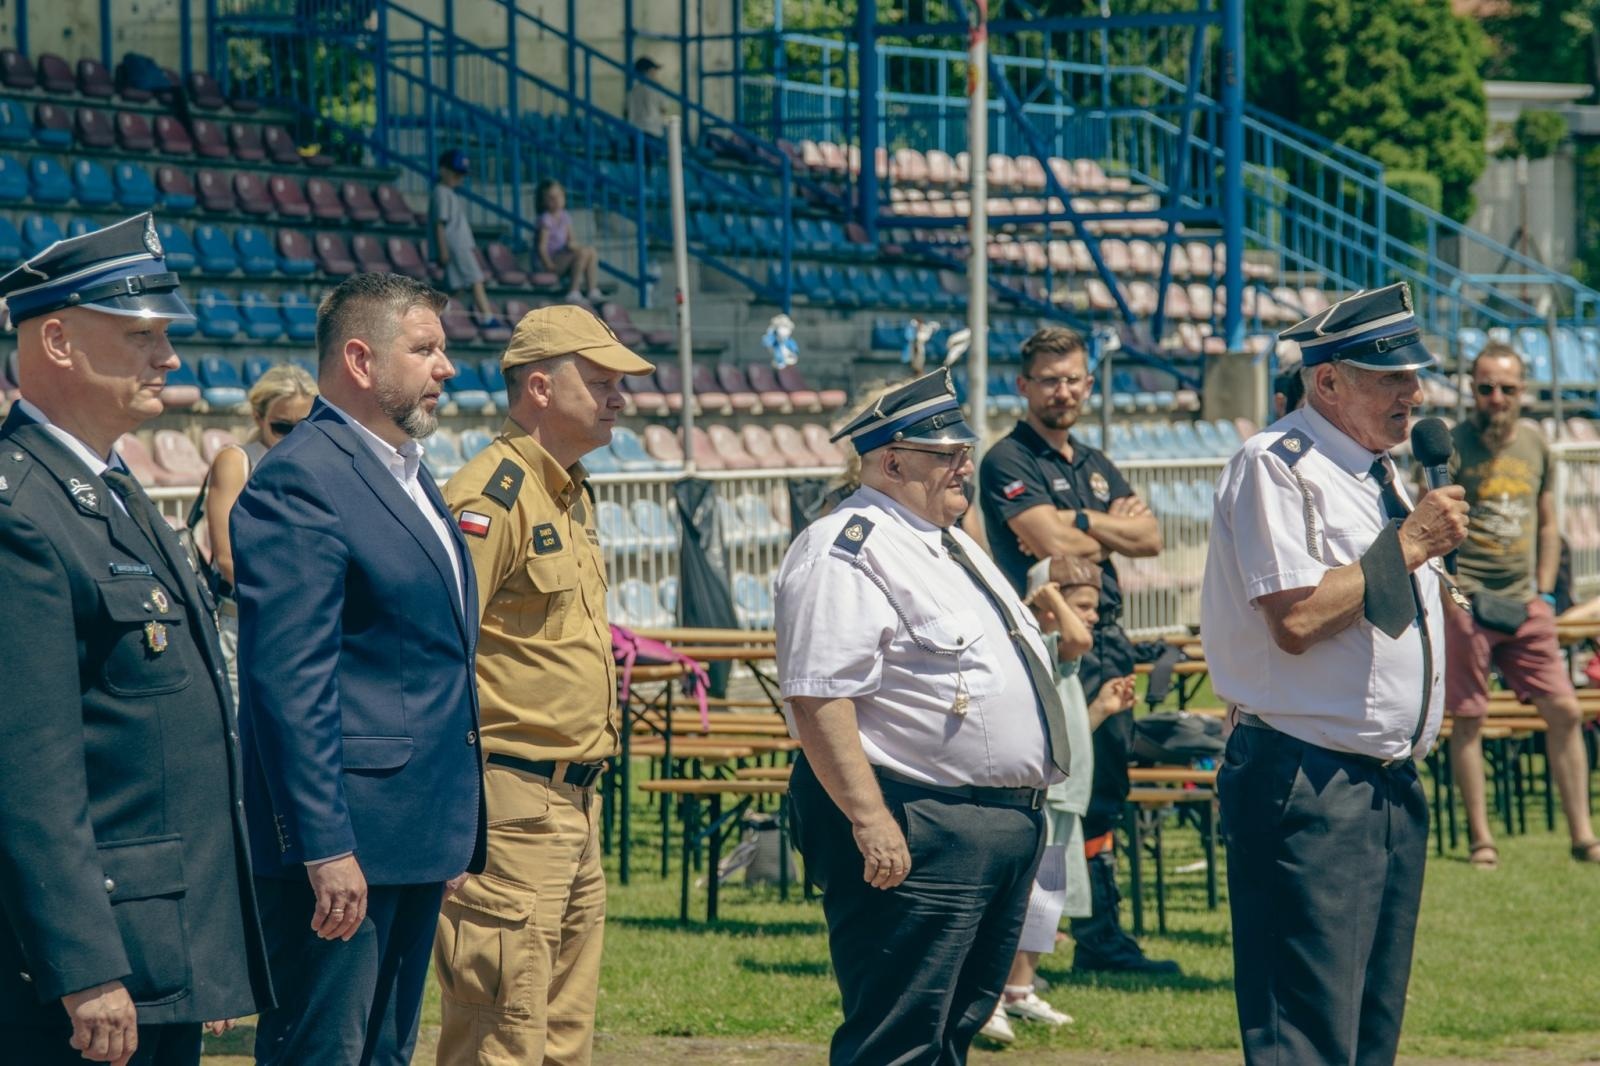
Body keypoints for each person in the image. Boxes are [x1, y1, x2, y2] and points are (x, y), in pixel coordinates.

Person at [0, 213, 271, 1064]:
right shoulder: (24, 514)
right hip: (92, 965)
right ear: (58, 341)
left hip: (156, 943)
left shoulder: (106, 488)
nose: (171, 358)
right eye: (142, 335)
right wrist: (84, 965)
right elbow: (29, 771)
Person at [1201, 281, 1470, 1065]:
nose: (1413, 394)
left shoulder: (1375, 473)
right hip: (1307, 778)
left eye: (1414, 376)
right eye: (1391, 378)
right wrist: (1409, 545)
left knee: (1367, 1030)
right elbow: (1297, 621)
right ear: (1327, 381)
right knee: (1306, 1032)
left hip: (1382, 781)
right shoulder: (1277, 465)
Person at [775, 369, 1071, 1065]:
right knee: (897, 1038)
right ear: (891, 462)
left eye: (965, 451)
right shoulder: (846, 546)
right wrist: (871, 820)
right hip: (921, 822)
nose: (965, 465)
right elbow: (820, 698)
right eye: (946, 454)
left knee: (951, 1032)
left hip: (994, 824)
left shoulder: (948, 541)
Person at [231, 273, 487, 1065]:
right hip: (345, 849)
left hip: (411, 836)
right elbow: (290, 684)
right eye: (425, 349)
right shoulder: (303, 477)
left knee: (385, 1054)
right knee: (323, 1053)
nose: (446, 367)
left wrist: (447, 833)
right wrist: (324, 844)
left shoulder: (404, 470)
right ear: (360, 359)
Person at [432, 306, 655, 1066]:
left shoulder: (568, 490)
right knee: (500, 1036)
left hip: (573, 802)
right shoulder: (490, 497)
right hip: (512, 804)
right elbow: (441, 656)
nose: (619, 398)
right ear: (539, 388)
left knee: (561, 1037)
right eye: (601, 382)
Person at [976, 325, 1174, 976]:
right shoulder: (1008, 459)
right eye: (1049, 381)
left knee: (1105, 786)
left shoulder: (1092, 461)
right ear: (1023, 386)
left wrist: (1080, 522)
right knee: (1064, 794)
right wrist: (1100, 527)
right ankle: (1046, 942)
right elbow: (1046, 542)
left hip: (1108, 638)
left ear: (1089, 384)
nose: (1062, 392)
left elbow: (1151, 538)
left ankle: (1095, 933)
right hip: (1055, 648)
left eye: (1072, 380)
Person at [1443, 343, 1599, 867]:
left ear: (1523, 392)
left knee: (1565, 711)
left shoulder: (1536, 446)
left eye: (1507, 388)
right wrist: (1452, 594)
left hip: (1525, 602)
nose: (1496, 398)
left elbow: (1548, 522)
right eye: (1486, 387)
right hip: (1470, 600)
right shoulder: (1453, 447)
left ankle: (1583, 836)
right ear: (1472, 390)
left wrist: (1545, 593)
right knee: (1470, 718)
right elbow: (1434, 522)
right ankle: (1482, 840)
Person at [981, 554, 1137, 1044]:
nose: (1092, 617)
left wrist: (1101, 708)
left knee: (1045, 903)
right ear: (1048, 605)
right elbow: (1079, 639)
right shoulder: (1040, 646)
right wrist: (1047, 593)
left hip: (1067, 796)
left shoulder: (1064, 664)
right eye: (1083, 605)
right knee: (1020, 900)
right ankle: (987, 998)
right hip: (1042, 797)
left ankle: (1019, 990)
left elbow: (1066, 733)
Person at [197, 363, 317, 699]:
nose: (294, 438)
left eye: (304, 426)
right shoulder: (237, 462)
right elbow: (228, 559)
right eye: (282, 427)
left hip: (306, 626)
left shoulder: (316, 463)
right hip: (249, 623)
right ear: (257, 416)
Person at [431, 149, 501, 326]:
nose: (459, 178)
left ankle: (437, 311)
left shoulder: (448, 192)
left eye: (461, 174)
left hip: (459, 246)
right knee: (476, 279)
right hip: (455, 246)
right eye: (455, 173)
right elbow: (439, 224)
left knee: (456, 287)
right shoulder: (441, 192)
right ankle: (487, 317)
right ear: (443, 170)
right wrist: (442, 250)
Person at [536, 180, 603, 305]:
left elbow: (572, 240)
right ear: (543, 201)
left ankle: (592, 290)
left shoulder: (565, 216)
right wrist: (548, 264)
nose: (557, 200)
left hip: (563, 256)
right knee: (582, 253)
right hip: (550, 260)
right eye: (551, 198)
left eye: (559, 196)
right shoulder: (546, 219)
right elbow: (541, 247)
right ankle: (573, 291)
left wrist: (573, 245)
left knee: (591, 251)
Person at [625, 56, 671, 139]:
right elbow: (664, 109)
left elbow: (626, 112)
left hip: (635, 132)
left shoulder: (632, 92)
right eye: (654, 70)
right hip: (653, 131)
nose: (656, 73)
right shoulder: (657, 89)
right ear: (648, 72)